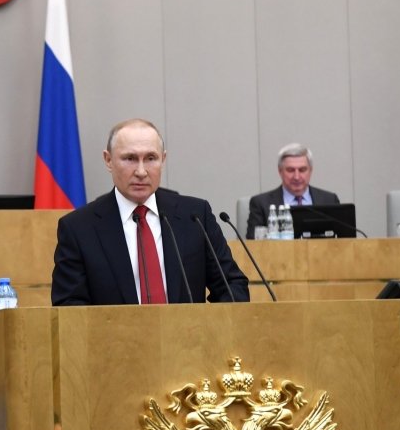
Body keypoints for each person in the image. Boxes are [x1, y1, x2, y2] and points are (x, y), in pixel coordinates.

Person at [51, 118, 250, 306]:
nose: (141, 171)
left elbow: (232, 286)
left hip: (189, 340)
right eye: (129, 158)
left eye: (150, 158)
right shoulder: (79, 228)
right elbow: (69, 307)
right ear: (108, 160)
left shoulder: (196, 216)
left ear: (163, 159)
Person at [246, 143, 339, 239]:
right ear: (280, 171)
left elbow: (342, 240)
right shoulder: (261, 204)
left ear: (310, 170)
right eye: (290, 170)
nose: (297, 177)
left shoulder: (329, 200)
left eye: (302, 170)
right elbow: (252, 243)